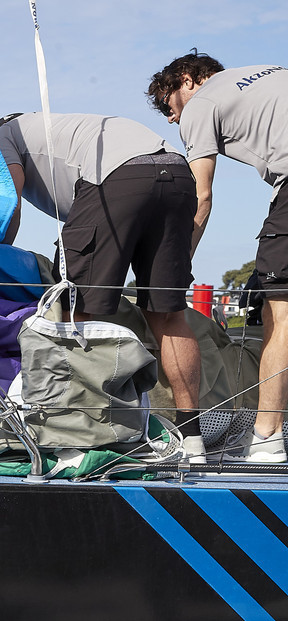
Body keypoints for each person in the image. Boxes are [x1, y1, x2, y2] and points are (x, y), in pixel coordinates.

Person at [0, 111, 206, 460]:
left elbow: (9, 204)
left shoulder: (2, 134)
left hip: (115, 178)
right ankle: (192, 439)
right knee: (168, 316)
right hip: (179, 175)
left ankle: (83, 433)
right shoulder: (61, 125)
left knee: (80, 312)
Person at [148, 52, 288, 462]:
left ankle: (267, 438)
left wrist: (175, 266)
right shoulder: (271, 71)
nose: (171, 119)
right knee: (269, 303)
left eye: (166, 103)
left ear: (188, 79)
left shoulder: (203, 102)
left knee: (282, 318)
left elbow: (200, 196)